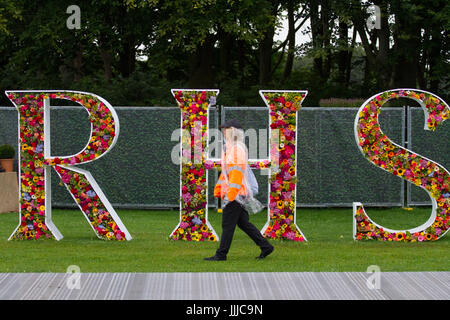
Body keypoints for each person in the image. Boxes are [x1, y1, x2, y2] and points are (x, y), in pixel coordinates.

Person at [204, 119, 274, 261]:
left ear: (233, 131)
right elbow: (227, 173)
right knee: (243, 223)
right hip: (236, 192)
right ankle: (265, 246)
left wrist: (231, 194)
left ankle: (221, 254)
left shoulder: (236, 149)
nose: (223, 132)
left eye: (226, 129)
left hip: (236, 193)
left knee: (227, 225)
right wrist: (220, 188)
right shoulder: (230, 148)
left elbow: (236, 173)